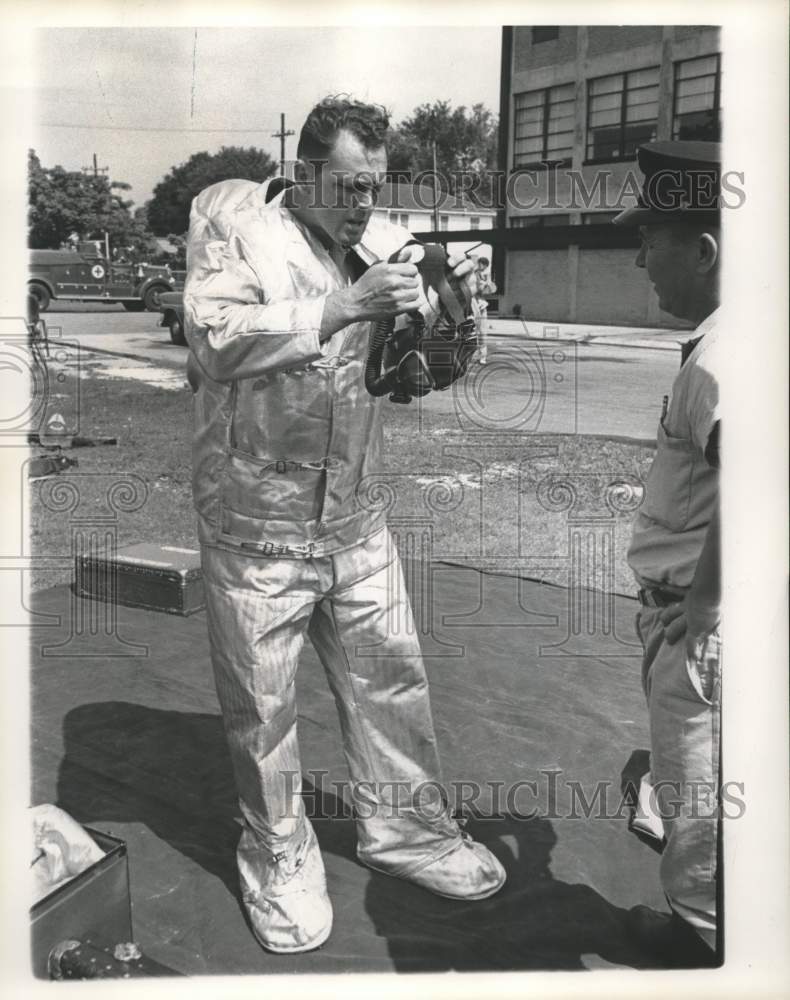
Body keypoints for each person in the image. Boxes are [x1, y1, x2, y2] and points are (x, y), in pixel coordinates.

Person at [183, 96, 506, 955]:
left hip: (356, 513)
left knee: (391, 679)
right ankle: (278, 855)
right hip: (257, 521)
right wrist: (338, 309)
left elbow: (417, 370)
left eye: (375, 185)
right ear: (308, 170)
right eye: (351, 185)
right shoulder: (233, 223)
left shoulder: (382, 239)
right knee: (264, 706)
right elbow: (213, 338)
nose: (365, 201)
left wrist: (457, 313)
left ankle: (409, 832)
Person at [613, 140, 723, 967]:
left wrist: (706, 604)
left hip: (701, 626)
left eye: (655, 235)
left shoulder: (721, 358)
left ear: (708, 250)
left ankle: (703, 942)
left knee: (700, 803)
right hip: (705, 613)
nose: (643, 254)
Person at [472, 255, 496, 364]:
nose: (482, 267)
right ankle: (471, 355)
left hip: (481, 305)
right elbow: (477, 289)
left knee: (482, 332)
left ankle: (482, 356)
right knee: (471, 332)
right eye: (481, 264)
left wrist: (487, 283)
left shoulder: (486, 276)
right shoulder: (474, 274)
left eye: (484, 265)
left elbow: (491, 290)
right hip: (472, 304)